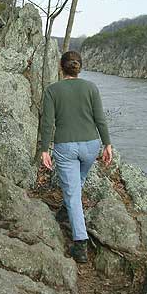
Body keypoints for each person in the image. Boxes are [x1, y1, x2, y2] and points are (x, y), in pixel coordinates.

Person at [40, 50, 112, 263]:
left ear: (61, 67)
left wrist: (45, 149)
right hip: (91, 146)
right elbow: (100, 118)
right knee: (76, 183)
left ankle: (80, 243)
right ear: (79, 67)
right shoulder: (91, 87)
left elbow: (48, 122)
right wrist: (107, 144)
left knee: (73, 193)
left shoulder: (52, 90)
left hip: (66, 147)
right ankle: (65, 210)